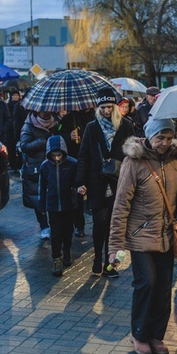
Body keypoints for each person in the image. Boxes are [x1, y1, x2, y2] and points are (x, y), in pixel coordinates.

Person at [108, 117, 177, 354]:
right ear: (150, 136)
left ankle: (156, 335)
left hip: (165, 235)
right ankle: (139, 334)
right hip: (140, 235)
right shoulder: (134, 162)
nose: (164, 143)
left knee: (163, 287)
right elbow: (121, 205)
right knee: (147, 282)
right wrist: (114, 246)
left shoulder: (176, 160)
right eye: (160, 137)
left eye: (169, 138)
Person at [76, 87, 135, 277]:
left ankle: (111, 265)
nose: (106, 111)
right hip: (96, 181)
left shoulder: (126, 125)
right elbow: (83, 155)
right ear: (98, 107)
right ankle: (97, 259)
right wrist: (81, 182)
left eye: (109, 107)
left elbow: (133, 154)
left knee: (114, 223)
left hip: (119, 180)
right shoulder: (92, 127)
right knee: (99, 222)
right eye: (103, 107)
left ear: (115, 107)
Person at [39, 135, 78, 276]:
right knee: (55, 234)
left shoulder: (72, 164)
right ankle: (57, 258)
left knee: (68, 231)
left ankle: (66, 250)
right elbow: (42, 187)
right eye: (54, 155)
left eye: (59, 155)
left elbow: (77, 181)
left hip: (68, 204)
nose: (56, 158)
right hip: (53, 205)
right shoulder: (45, 166)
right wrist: (42, 205)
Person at [19, 110, 59, 239]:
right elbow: (24, 145)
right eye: (43, 110)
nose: (46, 112)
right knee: (38, 198)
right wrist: (43, 142)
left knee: (54, 196)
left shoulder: (57, 123)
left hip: (54, 165)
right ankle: (44, 226)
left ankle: (54, 224)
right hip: (36, 167)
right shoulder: (29, 125)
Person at [57, 108, 95, 237]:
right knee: (77, 195)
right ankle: (79, 225)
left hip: (93, 162)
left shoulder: (96, 116)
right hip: (76, 161)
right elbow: (58, 135)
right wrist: (69, 137)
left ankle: (98, 223)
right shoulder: (69, 118)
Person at [7, 89, 26, 171]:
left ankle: (19, 164)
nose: (15, 97)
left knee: (19, 148)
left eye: (17, 95)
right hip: (10, 130)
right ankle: (13, 165)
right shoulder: (7, 106)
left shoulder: (21, 106)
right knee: (11, 149)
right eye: (13, 95)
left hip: (19, 129)